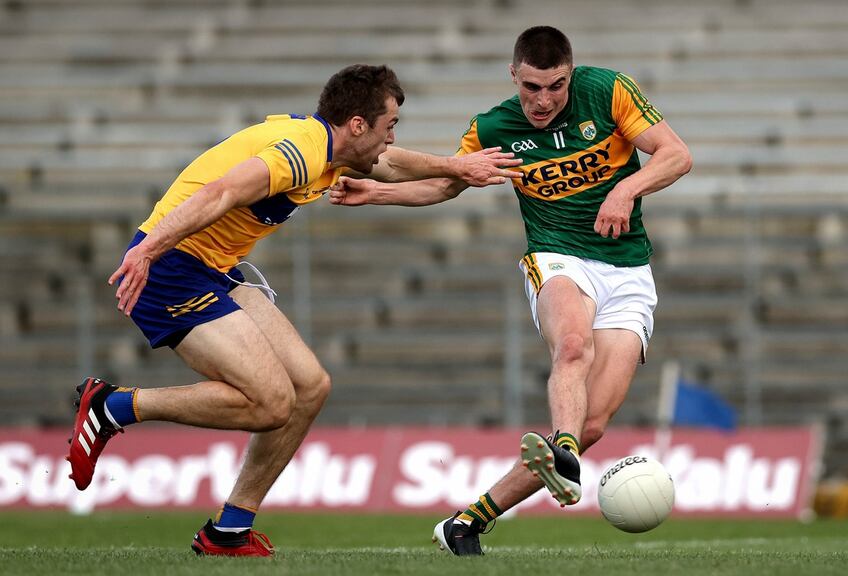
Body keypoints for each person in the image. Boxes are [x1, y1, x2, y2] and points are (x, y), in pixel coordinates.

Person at [65, 64, 522, 557]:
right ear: (357, 126)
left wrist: (457, 168)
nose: (392, 139)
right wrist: (149, 249)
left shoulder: (331, 149)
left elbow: (390, 166)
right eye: (389, 126)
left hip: (213, 267)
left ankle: (229, 530)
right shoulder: (300, 153)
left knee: (310, 386)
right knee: (270, 403)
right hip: (171, 267)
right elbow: (220, 193)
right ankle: (112, 406)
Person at [328, 27, 692, 555]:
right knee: (571, 347)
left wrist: (625, 188)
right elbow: (446, 183)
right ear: (513, 75)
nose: (542, 100)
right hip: (557, 257)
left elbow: (676, 154)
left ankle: (467, 522)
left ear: (571, 74)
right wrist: (378, 192)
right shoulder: (494, 126)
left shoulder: (609, 92)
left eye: (555, 87)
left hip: (629, 269)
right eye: (531, 88)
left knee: (592, 423)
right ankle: (562, 448)